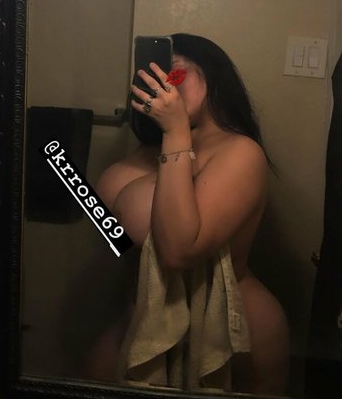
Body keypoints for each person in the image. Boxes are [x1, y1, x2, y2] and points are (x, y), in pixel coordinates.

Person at [87, 33, 289, 395]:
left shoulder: (240, 151)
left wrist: (176, 131)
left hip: (231, 331)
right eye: (154, 76)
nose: (165, 85)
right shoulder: (149, 149)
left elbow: (179, 251)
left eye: (176, 74)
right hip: (142, 319)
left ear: (214, 78)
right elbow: (114, 237)